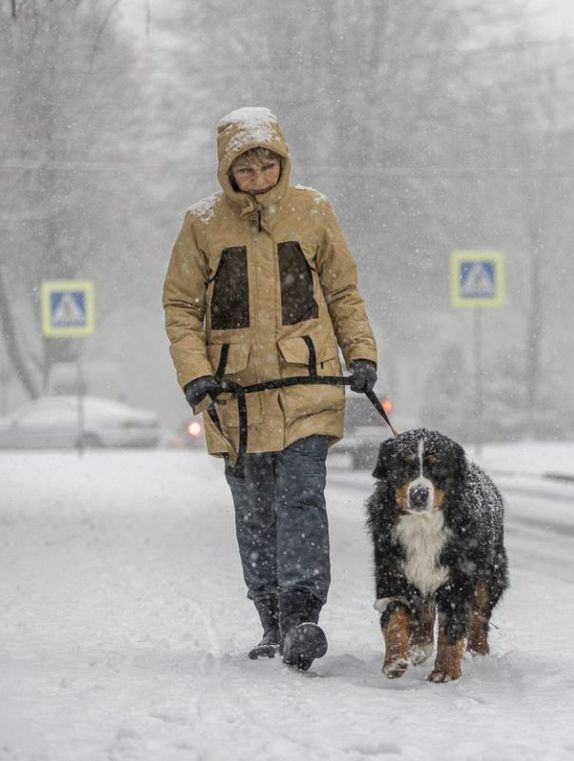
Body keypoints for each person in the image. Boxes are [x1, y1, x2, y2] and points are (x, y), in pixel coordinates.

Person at [163, 107, 378, 670]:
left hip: (308, 387)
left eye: (267, 164)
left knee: (301, 498)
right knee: (256, 511)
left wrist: (361, 354)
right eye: (246, 168)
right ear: (227, 170)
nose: (258, 176)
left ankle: (303, 615)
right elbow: (180, 307)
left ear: (281, 161)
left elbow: (343, 292)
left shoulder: (313, 211)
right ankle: (271, 619)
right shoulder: (203, 224)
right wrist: (196, 374)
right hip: (235, 397)